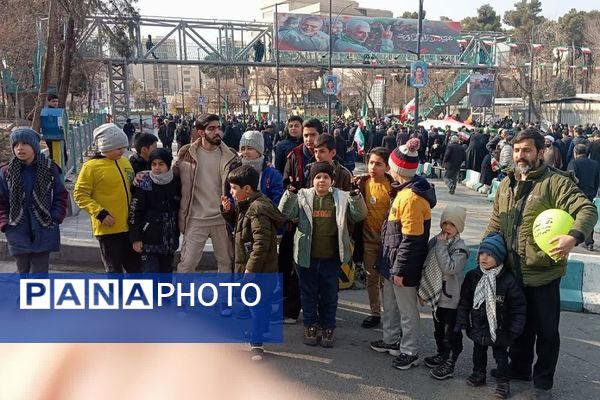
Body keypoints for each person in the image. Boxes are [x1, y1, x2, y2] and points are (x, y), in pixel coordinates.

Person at [485, 128, 597, 400]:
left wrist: (574, 236)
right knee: (517, 326)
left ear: (539, 151)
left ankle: (543, 382)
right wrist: (486, 251)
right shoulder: (506, 184)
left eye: (526, 150)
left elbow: (586, 209)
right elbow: (496, 221)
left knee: (547, 332)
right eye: (517, 150)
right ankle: (520, 368)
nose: (520, 155)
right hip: (512, 272)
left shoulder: (555, 183)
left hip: (544, 273)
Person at [279, 162, 367, 347]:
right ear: (312, 180)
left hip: (331, 258)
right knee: (308, 294)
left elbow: (358, 215)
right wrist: (290, 193)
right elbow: (285, 213)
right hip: (306, 257)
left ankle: (328, 327)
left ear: (332, 180)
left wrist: (355, 195)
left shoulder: (342, 197)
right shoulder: (303, 196)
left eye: (326, 177)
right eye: (318, 177)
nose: (321, 181)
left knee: (329, 295)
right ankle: (310, 325)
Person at [371, 138, 437, 370]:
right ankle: (390, 340)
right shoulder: (403, 191)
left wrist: (399, 269)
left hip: (402, 264)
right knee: (390, 304)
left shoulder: (410, 198)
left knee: (407, 310)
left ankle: (409, 350)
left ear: (396, 168)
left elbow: (411, 239)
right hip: (392, 261)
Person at [221, 165, 285, 361]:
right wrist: (228, 212)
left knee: (256, 304)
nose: (231, 192)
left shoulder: (256, 210)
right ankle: (261, 331)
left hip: (258, 269)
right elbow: (242, 228)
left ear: (247, 189)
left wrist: (250, 268)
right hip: (259, 268)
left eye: (233, 188)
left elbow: (261, 243)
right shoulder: (249, 204)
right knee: (260, 304)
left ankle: (257, 344)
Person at [457, 233, 526, 399]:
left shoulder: (509, 281)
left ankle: (503, 383)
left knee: (501, 357)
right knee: (478, 352)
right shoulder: (473, 276)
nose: (484, 258)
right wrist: (463, 321)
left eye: (490, 255)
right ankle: (478, 374)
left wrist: (514, 330)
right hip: (479, 326)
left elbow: (518, 308)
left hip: (500, 330)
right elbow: (465, 301)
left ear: (500, 258)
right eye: (482, 253)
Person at [173, 113, 240, 274]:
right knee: (187, 264)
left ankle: (224, 298)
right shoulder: (187, 153)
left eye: (218, 128)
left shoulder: (230, 155)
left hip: (221, 218)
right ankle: (184, 298)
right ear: (201, 132)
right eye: (211, 129)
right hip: (195, 218)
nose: (217, 132)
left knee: (226, 262)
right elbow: (171, 179)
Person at [73, 123, 140, 273]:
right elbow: (80, 194)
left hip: (130, 226)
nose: (122, 151)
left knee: (136, 269)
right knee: (114, 269)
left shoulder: (125, 162)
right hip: (108, 229)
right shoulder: (91, 167)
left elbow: (130, 186)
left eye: (124, 147)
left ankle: (138, 295)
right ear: (104, 147)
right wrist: (99, 213)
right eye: (118, 148)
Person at [0, 128, 68, 273]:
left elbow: (60, 194)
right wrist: (5, 222)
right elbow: (1, 200)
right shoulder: (6, 172)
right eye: (16, 144)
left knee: (40, 272)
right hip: (16, 227)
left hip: (44, 226)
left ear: (34, 146)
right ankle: (25, 295)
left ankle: (37, 295)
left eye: (25, 143)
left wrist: (55, 217)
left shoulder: (49, 168)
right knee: (22, 270)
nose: (20, 148)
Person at [417, 205, 469, 380]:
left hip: (451, 299)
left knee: (451, 333)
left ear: (459, 227)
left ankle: (450, 362)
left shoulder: (460, 249)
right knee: (438, 329)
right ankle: (442, 354)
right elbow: (426, 262)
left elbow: (449, 268)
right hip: (437, 295)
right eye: (445, 223)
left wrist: (440, 246)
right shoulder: (436, 240)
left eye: (452, 225)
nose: (447, 227)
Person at [352, 147, 393, 329]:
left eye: (378, 164)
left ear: (387, 167)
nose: (373, 167)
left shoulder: (393, 186)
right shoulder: (363, 183)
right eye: (371, 163)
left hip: (387, 243)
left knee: (387, 281)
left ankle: (390, 315)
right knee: (371, 278)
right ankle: (375, 313)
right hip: (367, 241)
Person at [129, 148, 181, 273]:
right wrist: (136, 238)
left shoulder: (176, 181)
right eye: (154, 164)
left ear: (168, 164)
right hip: (149, 240)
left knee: (166, 277)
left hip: (169, 241)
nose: (157, 168)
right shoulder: (144, 182)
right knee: (150, 277)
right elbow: (135, 212)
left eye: (161, 164)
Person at [567, 144, 600, 251]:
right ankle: (589, 241)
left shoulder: (573, 163)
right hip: (590, 192)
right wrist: (594, 191)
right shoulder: (595, 164)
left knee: (573, 216)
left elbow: (570, 179)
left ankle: (571, 238)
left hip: (576, 194)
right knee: (587, 216)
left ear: (575, 153)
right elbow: (597, 180)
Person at [239, 130, 284, 206]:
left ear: (259, 150)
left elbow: (277, 199)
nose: (246, 152)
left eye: (250, 148)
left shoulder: (272, 174)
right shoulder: (236, 170)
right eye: (243, 148)